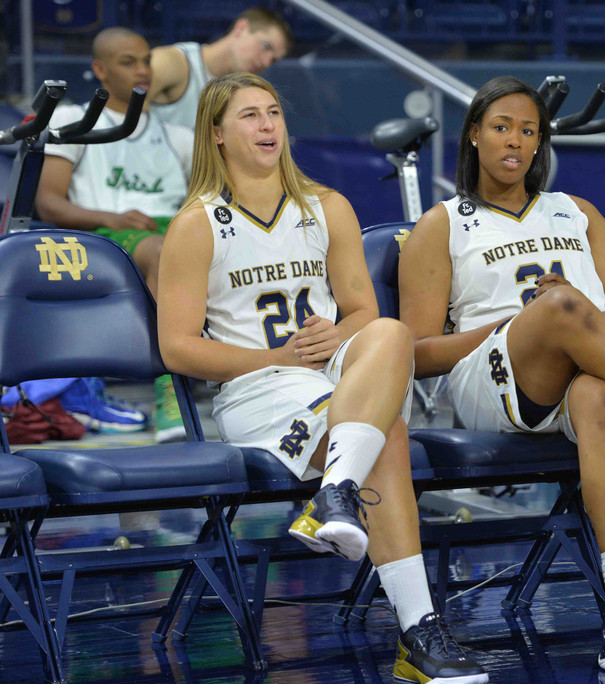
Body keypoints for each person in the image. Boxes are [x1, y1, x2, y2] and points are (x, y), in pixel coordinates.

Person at [156, 72, 488, 684]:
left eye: (274, 112)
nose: (267, 125)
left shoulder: (327, 206)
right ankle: (418, 633)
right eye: (250, 115)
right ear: (218, 135)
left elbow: (361, 307)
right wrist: (275, 358)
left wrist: (338, 334)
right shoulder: (197, 225)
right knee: (385, 432)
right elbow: (176, 348)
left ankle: (334, 493)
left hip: (333, 372)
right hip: (256, 389)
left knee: (387, 332)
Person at [399, 76, 605, 683]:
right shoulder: (442, 224)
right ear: (473, 134)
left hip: (586, 374)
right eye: (501, 127)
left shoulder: (577, 212)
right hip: (490, 380)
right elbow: (416, 352)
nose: (515, 141)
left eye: (529, 130)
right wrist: (525, 323)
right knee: (557, 309)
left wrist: (573, 317)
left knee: (601, 391)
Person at [35, 27, 189, 442]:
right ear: (100, 70)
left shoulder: (179, 138)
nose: (142, 70)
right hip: (103, 237)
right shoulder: (72, 120)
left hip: (169, 236)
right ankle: (170, 393)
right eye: (128, 62)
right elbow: (49, 203)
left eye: (146, 60)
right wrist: (114, 217)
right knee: (163, 251)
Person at [148, 6, 291, 130]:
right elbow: (125, 116)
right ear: (241, 28)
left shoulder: (237, 95)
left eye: (273, 60)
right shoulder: (171, 62)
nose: (266, 62)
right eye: (265, 46)